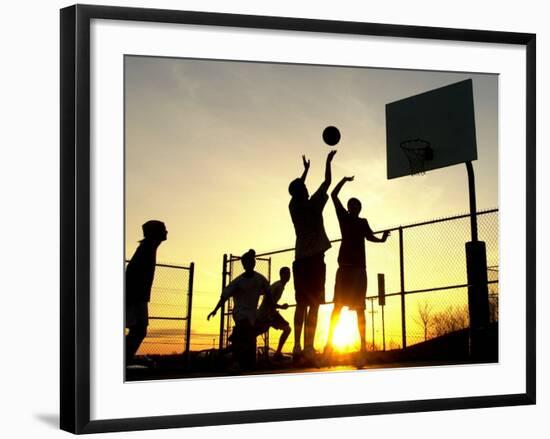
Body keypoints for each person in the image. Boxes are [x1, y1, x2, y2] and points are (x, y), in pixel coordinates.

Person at [324, 176, 390, 362]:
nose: (353, 207)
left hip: (359, 271)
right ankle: (329, 345)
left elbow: (370, 237)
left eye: (356, 206)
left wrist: (382, 239)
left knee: (360, 309)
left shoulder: (362, 222)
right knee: (337, 307)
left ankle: (362, 349)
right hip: (344, 269)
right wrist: (344, 180)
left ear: (359, 209)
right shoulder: (343, 217)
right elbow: (333, 194)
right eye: (351, 205)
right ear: (348, 207)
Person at [288, 150, 337, 364]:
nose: (307, 186)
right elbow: (327, 181)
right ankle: (308, 347)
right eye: (305, 186)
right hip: (315, 261)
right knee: (314, 305)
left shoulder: (293, 206)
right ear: (302, 192)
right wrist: (327, 161)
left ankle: (298, 346)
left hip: (301, 261)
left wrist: (305, 171)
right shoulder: (314, 203)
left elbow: (296, 188)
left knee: (301, 304)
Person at [208, 249, 271, 371]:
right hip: (240, 313)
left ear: (254, 263)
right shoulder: (238, 282)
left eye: (251, 262)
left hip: (253, 314)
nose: (249, 265)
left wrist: (273, 308)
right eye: (246, 263)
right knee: (246, 329)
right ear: (243, 265)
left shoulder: (260, 279)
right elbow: (224, 296)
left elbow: (269, 294)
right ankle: (235, 362)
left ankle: (224, 353)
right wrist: (215, 309)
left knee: (247, 338)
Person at [125, 220, 168, 365]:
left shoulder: (148, 247)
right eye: (163, 229)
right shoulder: (146, 249)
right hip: (135, 296)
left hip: (138, 296)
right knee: (139, 330)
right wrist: (131, 297)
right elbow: (131, 273)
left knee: (138, 330)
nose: (166, 232)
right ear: (154, 233)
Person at [255, 267, 292, 361]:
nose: (288, 275)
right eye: (286, 273)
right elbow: (268, 300)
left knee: (287, 329)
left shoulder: (280, 286)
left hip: (270, 313)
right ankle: (277, 353)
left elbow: (270, 301)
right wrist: (281, 307)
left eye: (289, 273)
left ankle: (278, 353)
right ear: (281, 275)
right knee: (255, 333)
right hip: (266, 314)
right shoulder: (278, 286)